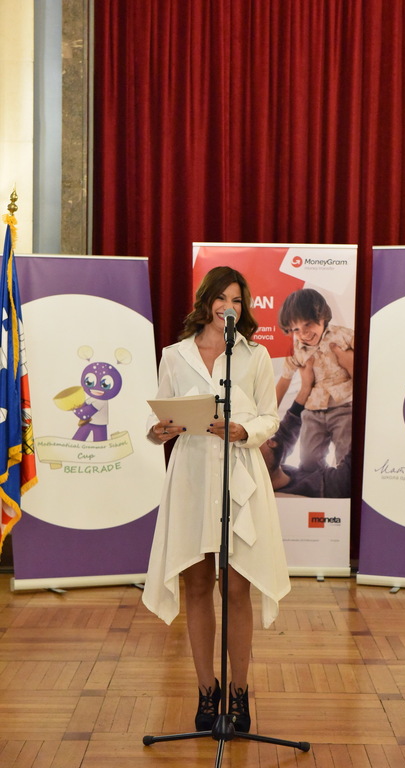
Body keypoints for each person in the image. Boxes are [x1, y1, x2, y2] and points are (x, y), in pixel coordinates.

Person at [142, 266, 290, 735]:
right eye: (222, 298)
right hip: (191, 476)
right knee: (198, 585)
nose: (230, 307)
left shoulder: (255, 355)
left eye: (238, 300)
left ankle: (239, 692)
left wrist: (244, 430)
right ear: (206, 301)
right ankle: (207, 690)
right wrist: (158, 431)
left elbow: (270, 417)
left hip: (239, 475)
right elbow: (161, 418)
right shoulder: (174, 356)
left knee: (237, 587)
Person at [275, 288, 353, 473]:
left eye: (308, 324)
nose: (303, 334)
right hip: (313, 411)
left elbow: (368, 353)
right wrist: (269, 412)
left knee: (346, 455)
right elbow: (284, 381)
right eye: (296, 329)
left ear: (322, 317)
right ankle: (319, 485)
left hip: (344, 407)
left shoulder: (342, 335)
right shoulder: (295, 350)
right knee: (308, 461)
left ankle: (339, 484)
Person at [261, 359, 351, 498]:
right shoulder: (319, 490)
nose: (268, 440)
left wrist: (305, 388)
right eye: (255, 445)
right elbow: (350, 471)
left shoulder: (272, 467)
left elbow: (286, 432)